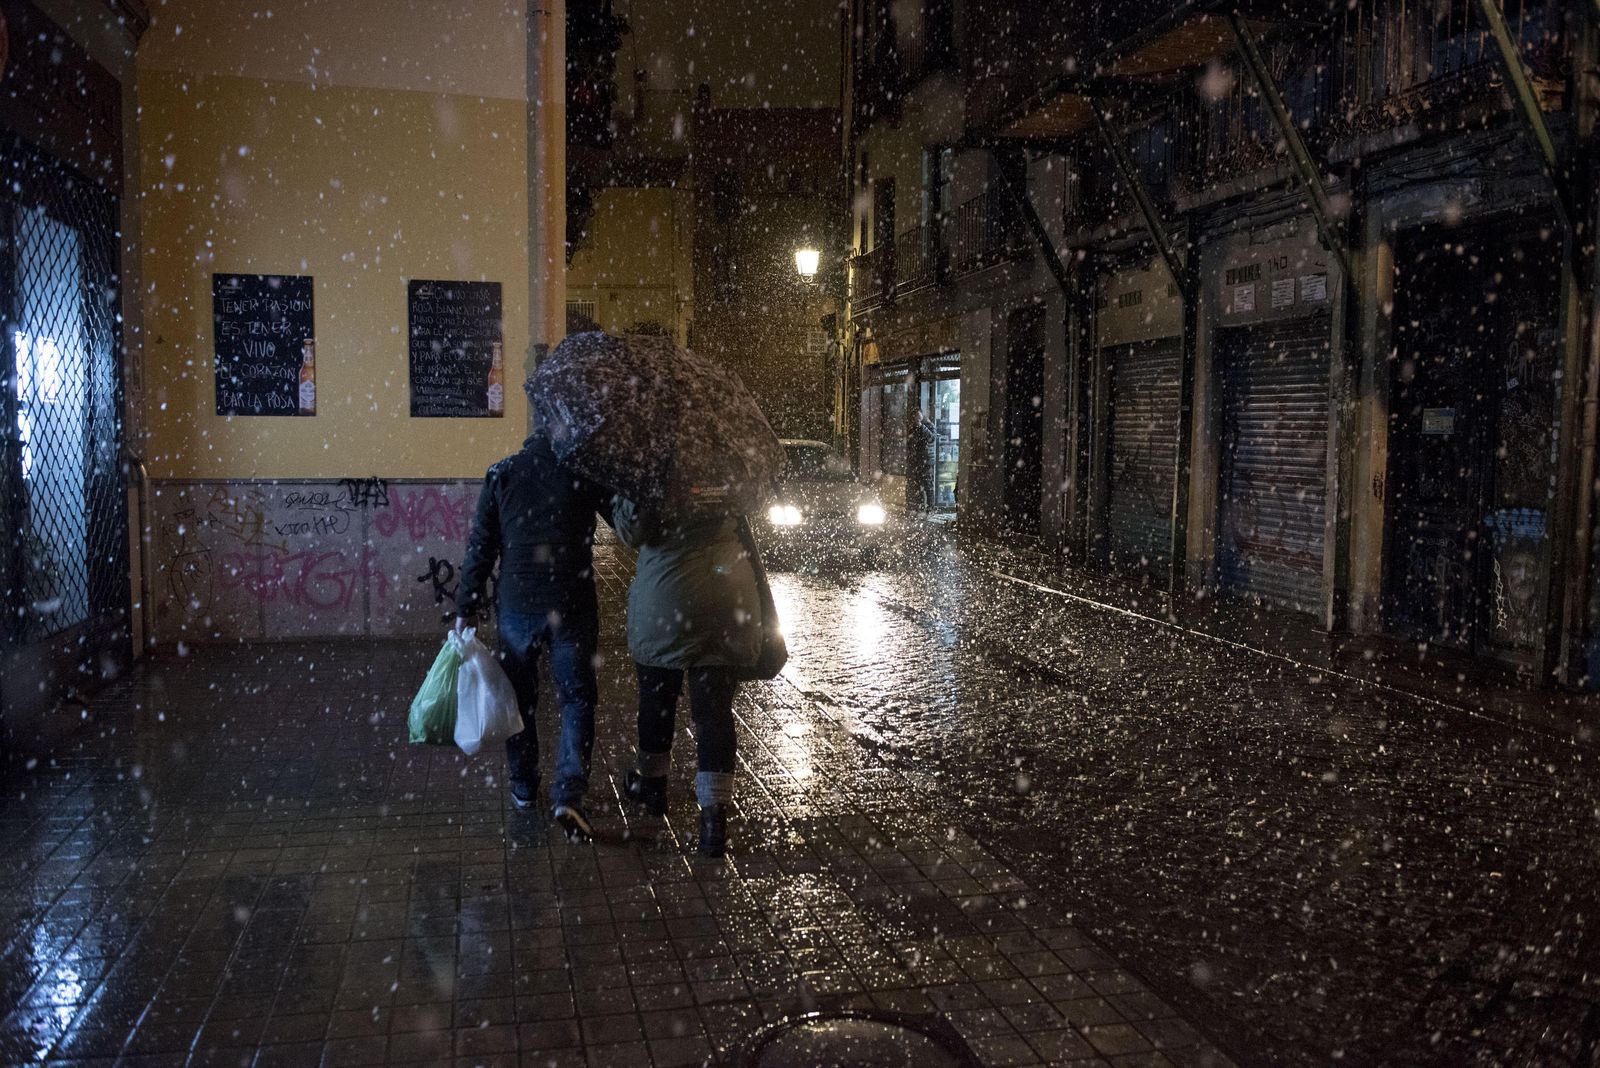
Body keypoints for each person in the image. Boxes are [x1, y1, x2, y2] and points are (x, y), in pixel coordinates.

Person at [456, 429, 612, 841]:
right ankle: (569, 794)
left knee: (518, 699)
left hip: (518, 605)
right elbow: (625, 522)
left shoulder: (502, 474)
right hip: (571, 603)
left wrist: (467, 604)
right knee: (577, 697)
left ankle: (525, 788)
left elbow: (481, 546)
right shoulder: (582, 472)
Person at [613, 498, 760, 857]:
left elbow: (631, 531)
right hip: (727, 594)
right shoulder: (723, 457)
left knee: (657, 699)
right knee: (714, 712)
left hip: (667, 595)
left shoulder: (650, 464)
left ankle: (653, 785)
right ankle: (713, 819)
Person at [910, 408, 937, 513]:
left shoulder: (929, 425)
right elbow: (911, 444)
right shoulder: (913, 427)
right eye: (915, 416)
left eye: (918, 415)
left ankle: (930, 508)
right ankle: (920, 507)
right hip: (916, 461)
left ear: (922, 415)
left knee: (928, 485)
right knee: (917, 486)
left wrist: (922, 427)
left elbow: (932, 438)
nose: (916, 418)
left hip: (927, 461)